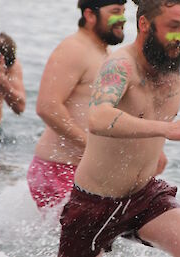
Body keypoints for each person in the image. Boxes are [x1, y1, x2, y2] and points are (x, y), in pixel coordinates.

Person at [58, 0, 180, 256]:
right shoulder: (119, 66)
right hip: (95, 202)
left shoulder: (179, 65)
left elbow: (149, 111)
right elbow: (98, 117)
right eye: (173, 27)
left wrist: (154, 149)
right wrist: (164, 130)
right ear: (144, 24)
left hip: (145, 195)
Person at [27, 0, 128, 209]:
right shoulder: (73, 49)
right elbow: (47, 106)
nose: (123, 18)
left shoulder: (104, 54)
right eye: (116, 12)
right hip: (57, 170)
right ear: (90, 15)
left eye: (124, 12)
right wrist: (92, 147)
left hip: (83, 171)